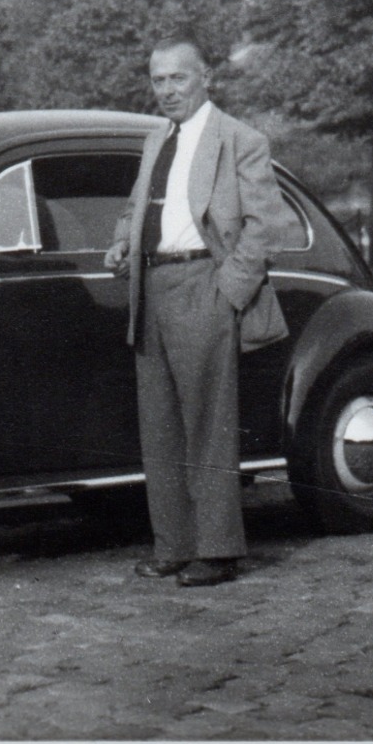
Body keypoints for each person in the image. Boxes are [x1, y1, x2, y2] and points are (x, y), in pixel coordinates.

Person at [104, 36, 290, 588]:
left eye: (177, 79)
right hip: (151, 289)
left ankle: (219, 551)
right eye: (158, 80)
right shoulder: (155, 139)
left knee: (208, 425)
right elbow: (138, 205)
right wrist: (121, 244)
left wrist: (228, 292)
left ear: (205, 77)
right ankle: (174, 547)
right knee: (159, 426)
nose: (166, 91)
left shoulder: (240, 140)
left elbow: (266, 225)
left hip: (204, 287)